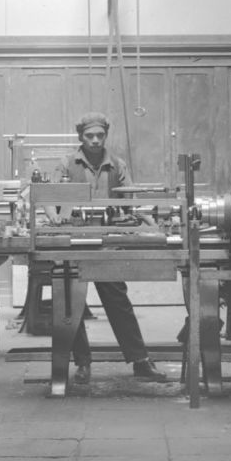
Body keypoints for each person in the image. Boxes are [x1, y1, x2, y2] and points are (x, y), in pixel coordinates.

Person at [50, 111, 167, 385]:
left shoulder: (117, 165)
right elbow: (48, 196)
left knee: (118, 302)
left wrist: (154, 226)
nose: (94, 140)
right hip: (74, 243)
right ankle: (83, 363)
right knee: (72, 303)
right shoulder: (67, 164)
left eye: (99, 135)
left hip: (106, 243)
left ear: (105, 136)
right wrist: (53, 217)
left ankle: (140, 361)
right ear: (81, 136)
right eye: (89, 136)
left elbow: (132, 201)